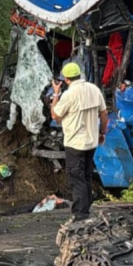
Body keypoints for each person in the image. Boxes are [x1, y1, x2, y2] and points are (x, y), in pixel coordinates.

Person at [51, 62, 108, 220]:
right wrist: (102, 132)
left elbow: (55, 115)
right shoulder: (94, 89)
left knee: (77, 178)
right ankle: (86, 208)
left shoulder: (69, 94)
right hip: (91, 142)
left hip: (75, 143)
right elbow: (104, 114)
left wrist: (56, 94)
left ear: (66, 79)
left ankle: (80, 214)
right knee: (87, 175)